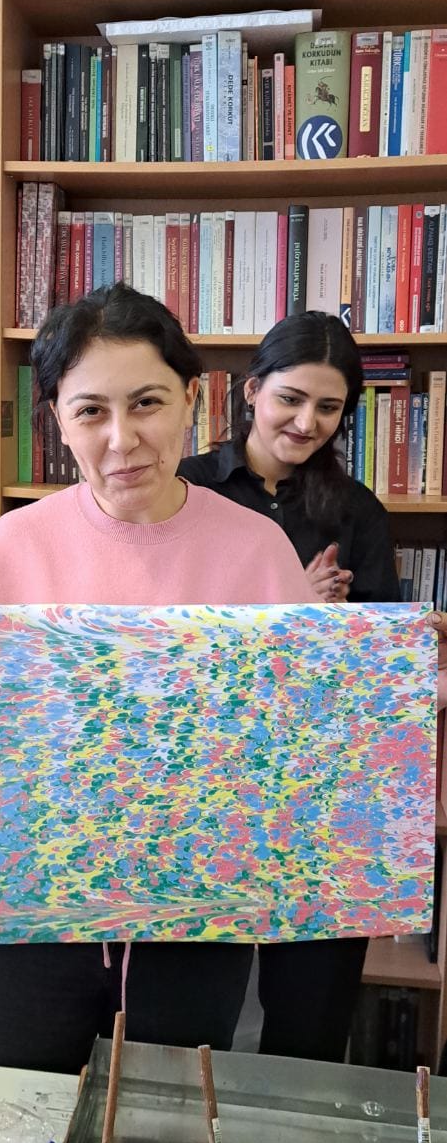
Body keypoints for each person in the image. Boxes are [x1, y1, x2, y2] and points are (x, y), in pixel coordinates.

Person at [0, 285, 315, 1074]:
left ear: (191, 398)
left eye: (147, 403)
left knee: (164, 1131)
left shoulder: (257, 550)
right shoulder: (16, 545)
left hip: (195, 921)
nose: (122, 439)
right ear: (57, 421)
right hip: (32, 919)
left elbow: (301, 763)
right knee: (9, 1117)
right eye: (90, 411)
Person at [178, 310, 401, 1062]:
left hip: (319, 792)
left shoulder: (356, 511)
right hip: (201, 787)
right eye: (290, 399)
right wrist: (289, 611)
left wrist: (393, 644)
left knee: (309, 1022)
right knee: (185, 1014)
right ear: (252, 391)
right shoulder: (185, 489)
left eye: (328, 407)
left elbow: (373, 668)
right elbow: (161, 645)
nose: (307, 423)